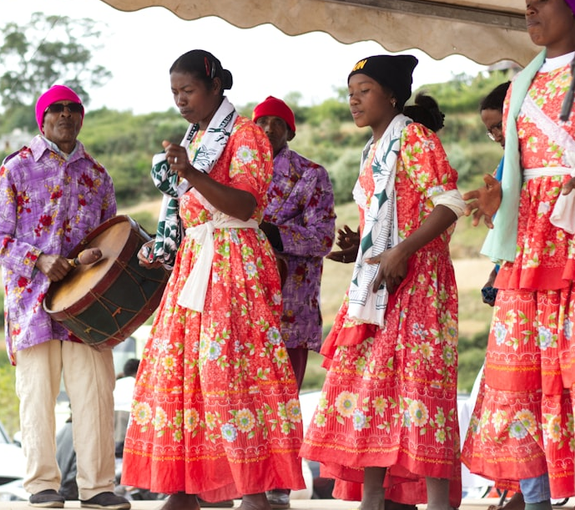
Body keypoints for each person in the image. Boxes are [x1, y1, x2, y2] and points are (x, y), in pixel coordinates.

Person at [121, 49, 305, 510]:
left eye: (188, 91)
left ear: (216, 87)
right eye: (175, 93)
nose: (181, 101)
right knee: (181, 372)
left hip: (234, 260)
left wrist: (191, 172)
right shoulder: (198, 136)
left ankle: (254, 490)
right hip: (195, 259)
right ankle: (185, 489)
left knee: (232, 373)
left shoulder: (247, 135)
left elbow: (245, 206)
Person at [300, 54, 466, 510]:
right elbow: (387, 219)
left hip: (417, 284)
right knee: (371, 390)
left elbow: (449, 204)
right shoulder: (372, 148)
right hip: (378, 284)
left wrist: (401, 250)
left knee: (419, 392)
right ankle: (373, 498)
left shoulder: (415, 138)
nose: (354, 99)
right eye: (351, 91)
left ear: (392, 95)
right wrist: (363, 248)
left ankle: (436, 503)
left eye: (365, 90)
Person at [0, 84, 129, 510]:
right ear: (41, 119)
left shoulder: (97, 175)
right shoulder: (16, 169)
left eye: (73, 109)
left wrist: (91, 255)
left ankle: (98, 487)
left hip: (87, 304)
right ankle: (42, 486)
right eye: (56, 109)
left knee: (96, 394)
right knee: (37, 397)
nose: (65, 115)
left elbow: (108, 239)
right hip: (32, 304)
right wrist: (40, 260)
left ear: (81, 118)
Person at [461, 0, 575, 510]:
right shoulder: (519, 88)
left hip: (571, 237)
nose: (531, 10)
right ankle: (535, 498)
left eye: (545, 0)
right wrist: (499, 197)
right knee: (523, 372)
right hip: (529, 241)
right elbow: (517, 168)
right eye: (527, 1)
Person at [252, 95, 336, 509]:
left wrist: (275, 235)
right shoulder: (237, 171)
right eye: (261, 122)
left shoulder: (311, 175)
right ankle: (246, 482)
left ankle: (279, 486)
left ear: (290, 129)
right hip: (243, 307)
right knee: (242, 398)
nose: (267, 129)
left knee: (282, 399)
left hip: (291, 308)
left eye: (276, 122)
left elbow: (323, 237)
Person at [326, 94, 446, 265]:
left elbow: (433, 219)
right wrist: (364, 244)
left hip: (419, 271)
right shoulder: (387, 172)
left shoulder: (432, 181)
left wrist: (400, 252)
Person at [476, 81, 511, 307]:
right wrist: (494, 273)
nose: (497, 136)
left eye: (499, 126)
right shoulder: (505, 164)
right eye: (491, 132)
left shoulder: (541, 164)